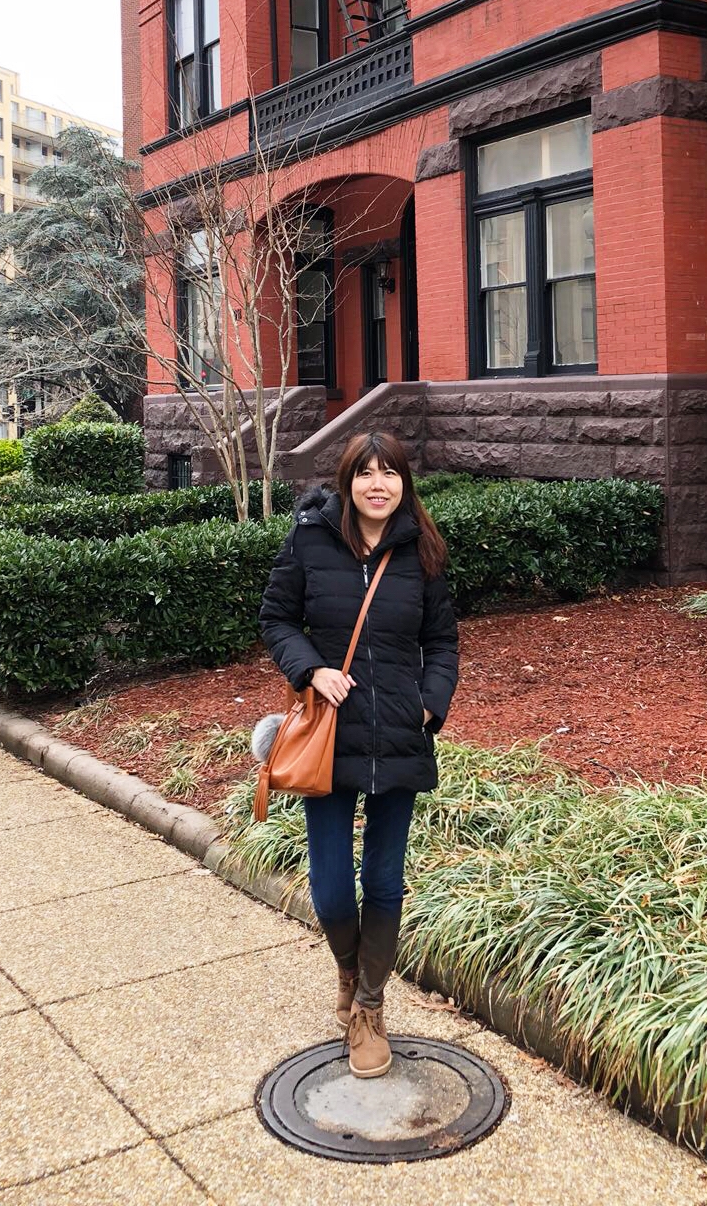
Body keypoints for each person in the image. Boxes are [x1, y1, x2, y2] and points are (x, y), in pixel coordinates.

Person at [259, 431, 459, 1079]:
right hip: (332, 735)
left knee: (384, 879)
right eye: (366, 473)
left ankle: (369, 1008)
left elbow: (443, 641)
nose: (379, 484)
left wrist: (429, 704)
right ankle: (349, 969)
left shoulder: (421, 550)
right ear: (347, 482)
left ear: (404, 482)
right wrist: (311, 670)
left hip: (399, 733)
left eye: (390, 473)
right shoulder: (311, 540)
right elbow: (276, 620)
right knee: (330, 887)